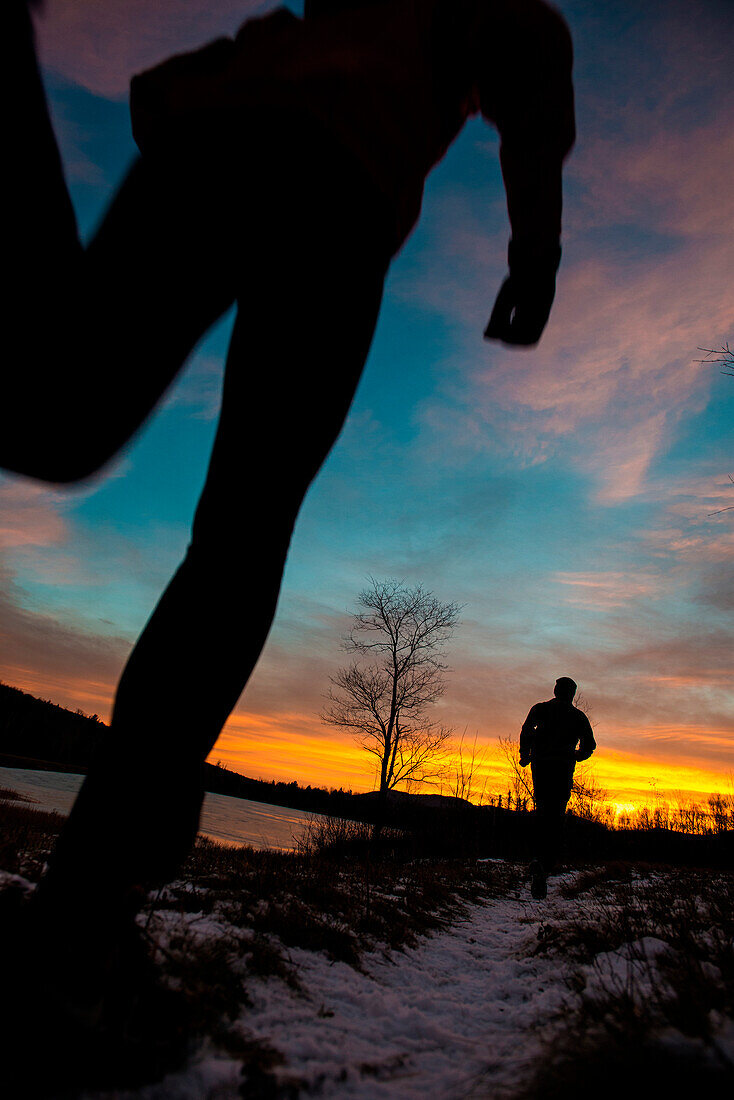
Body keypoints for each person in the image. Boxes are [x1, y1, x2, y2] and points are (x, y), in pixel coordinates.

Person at [7, 0, 575, 991]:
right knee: (238, 537)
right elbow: (529, 59)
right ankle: (84, 911)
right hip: (329, 196)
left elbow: (273, 41)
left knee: (65, 424)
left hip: (222, 143)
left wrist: (179, 98)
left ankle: (87, 903)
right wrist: (535, 255)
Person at [519, 676, 596, 898]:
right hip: (562, 768)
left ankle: (538, 859)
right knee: (555, 814)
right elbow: (589, 745)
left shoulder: (540, 709)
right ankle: (546, 861)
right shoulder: (578, 716)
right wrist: (576, 756)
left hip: (542, 766)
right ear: (571, 694)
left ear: (556, 690)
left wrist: (526, 755)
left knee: (543, 810)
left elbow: (526, 731)